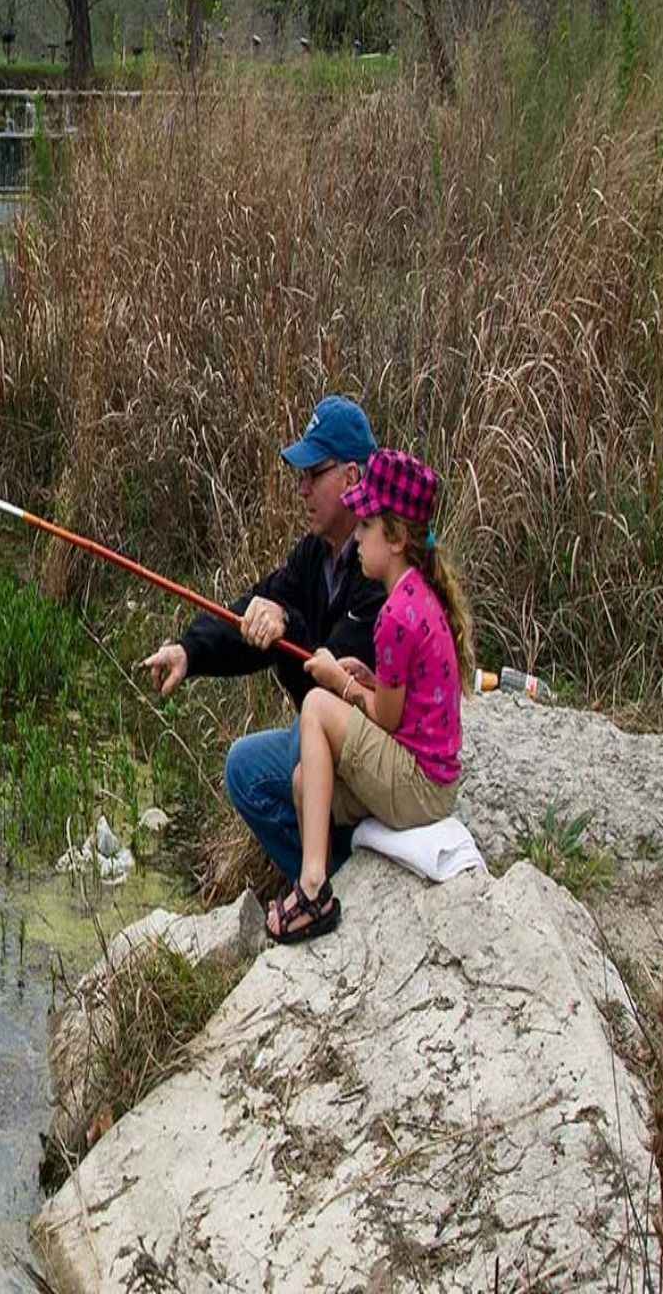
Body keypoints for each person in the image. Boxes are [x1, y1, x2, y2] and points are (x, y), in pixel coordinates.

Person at [140, 395, 386, 888]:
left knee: (297, 771)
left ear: (353, 478)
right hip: (326, 742)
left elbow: (334, 669)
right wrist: (191, 650)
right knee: (244, 769)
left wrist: (286, 626)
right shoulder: (316, 553)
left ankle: (336, 891)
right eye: (301, 476)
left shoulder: (383, 564)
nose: (302, 489)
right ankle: (330, 885)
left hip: (370, 746)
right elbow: (258, 604)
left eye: (314, 474)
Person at [266, 449, 476, 943]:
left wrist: (339, 683)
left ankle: (313, 888)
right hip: (426, 778)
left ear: (397, 538)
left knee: (317, 706)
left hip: (420, 786)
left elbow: (385, 716)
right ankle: (330, 879)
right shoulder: (420, 596)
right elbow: (402, 701)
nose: (356, 538)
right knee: (303, 783)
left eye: (366, 527)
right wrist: (366, 678)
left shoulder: (396, 615)